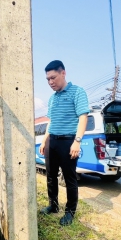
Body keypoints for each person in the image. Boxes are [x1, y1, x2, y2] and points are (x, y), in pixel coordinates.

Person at [39, 60, 90, 226]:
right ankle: (53, 206)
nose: (50, 82)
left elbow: (83, 117)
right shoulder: (52, 98)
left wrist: (77, 142)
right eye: (48, 79)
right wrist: (44, 140)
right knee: (51, 176)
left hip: (69, 141)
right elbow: (51, 121)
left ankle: (70, 212)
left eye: (53, 77)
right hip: (52, 141)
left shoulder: (77, 92)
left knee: (69, 179)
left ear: (63, 73)